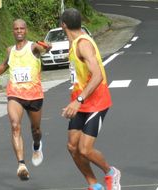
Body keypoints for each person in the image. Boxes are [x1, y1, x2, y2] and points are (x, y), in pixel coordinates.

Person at [0, 19, 50, 180]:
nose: (19, 31)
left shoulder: (33, 47)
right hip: (15, 95)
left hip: (34, 95)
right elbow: (4, 66)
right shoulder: (10, 50)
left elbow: (43, 48)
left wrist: (47, 47)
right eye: (16, 28)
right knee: (15, 125)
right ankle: (21, 164)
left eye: (22, 28)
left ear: (26, 30)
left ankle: (37, 146)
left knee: (36, 130)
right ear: (13, 31)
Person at [60, 8, 121, 190]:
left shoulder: (83, 44)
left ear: (63, 25)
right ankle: (94, 185)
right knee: (72, 147)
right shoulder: (74, 42)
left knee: (85, 149)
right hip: (82, 103)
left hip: (96, 102)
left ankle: (111, 172)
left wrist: (78, 99)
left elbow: (97, 76)